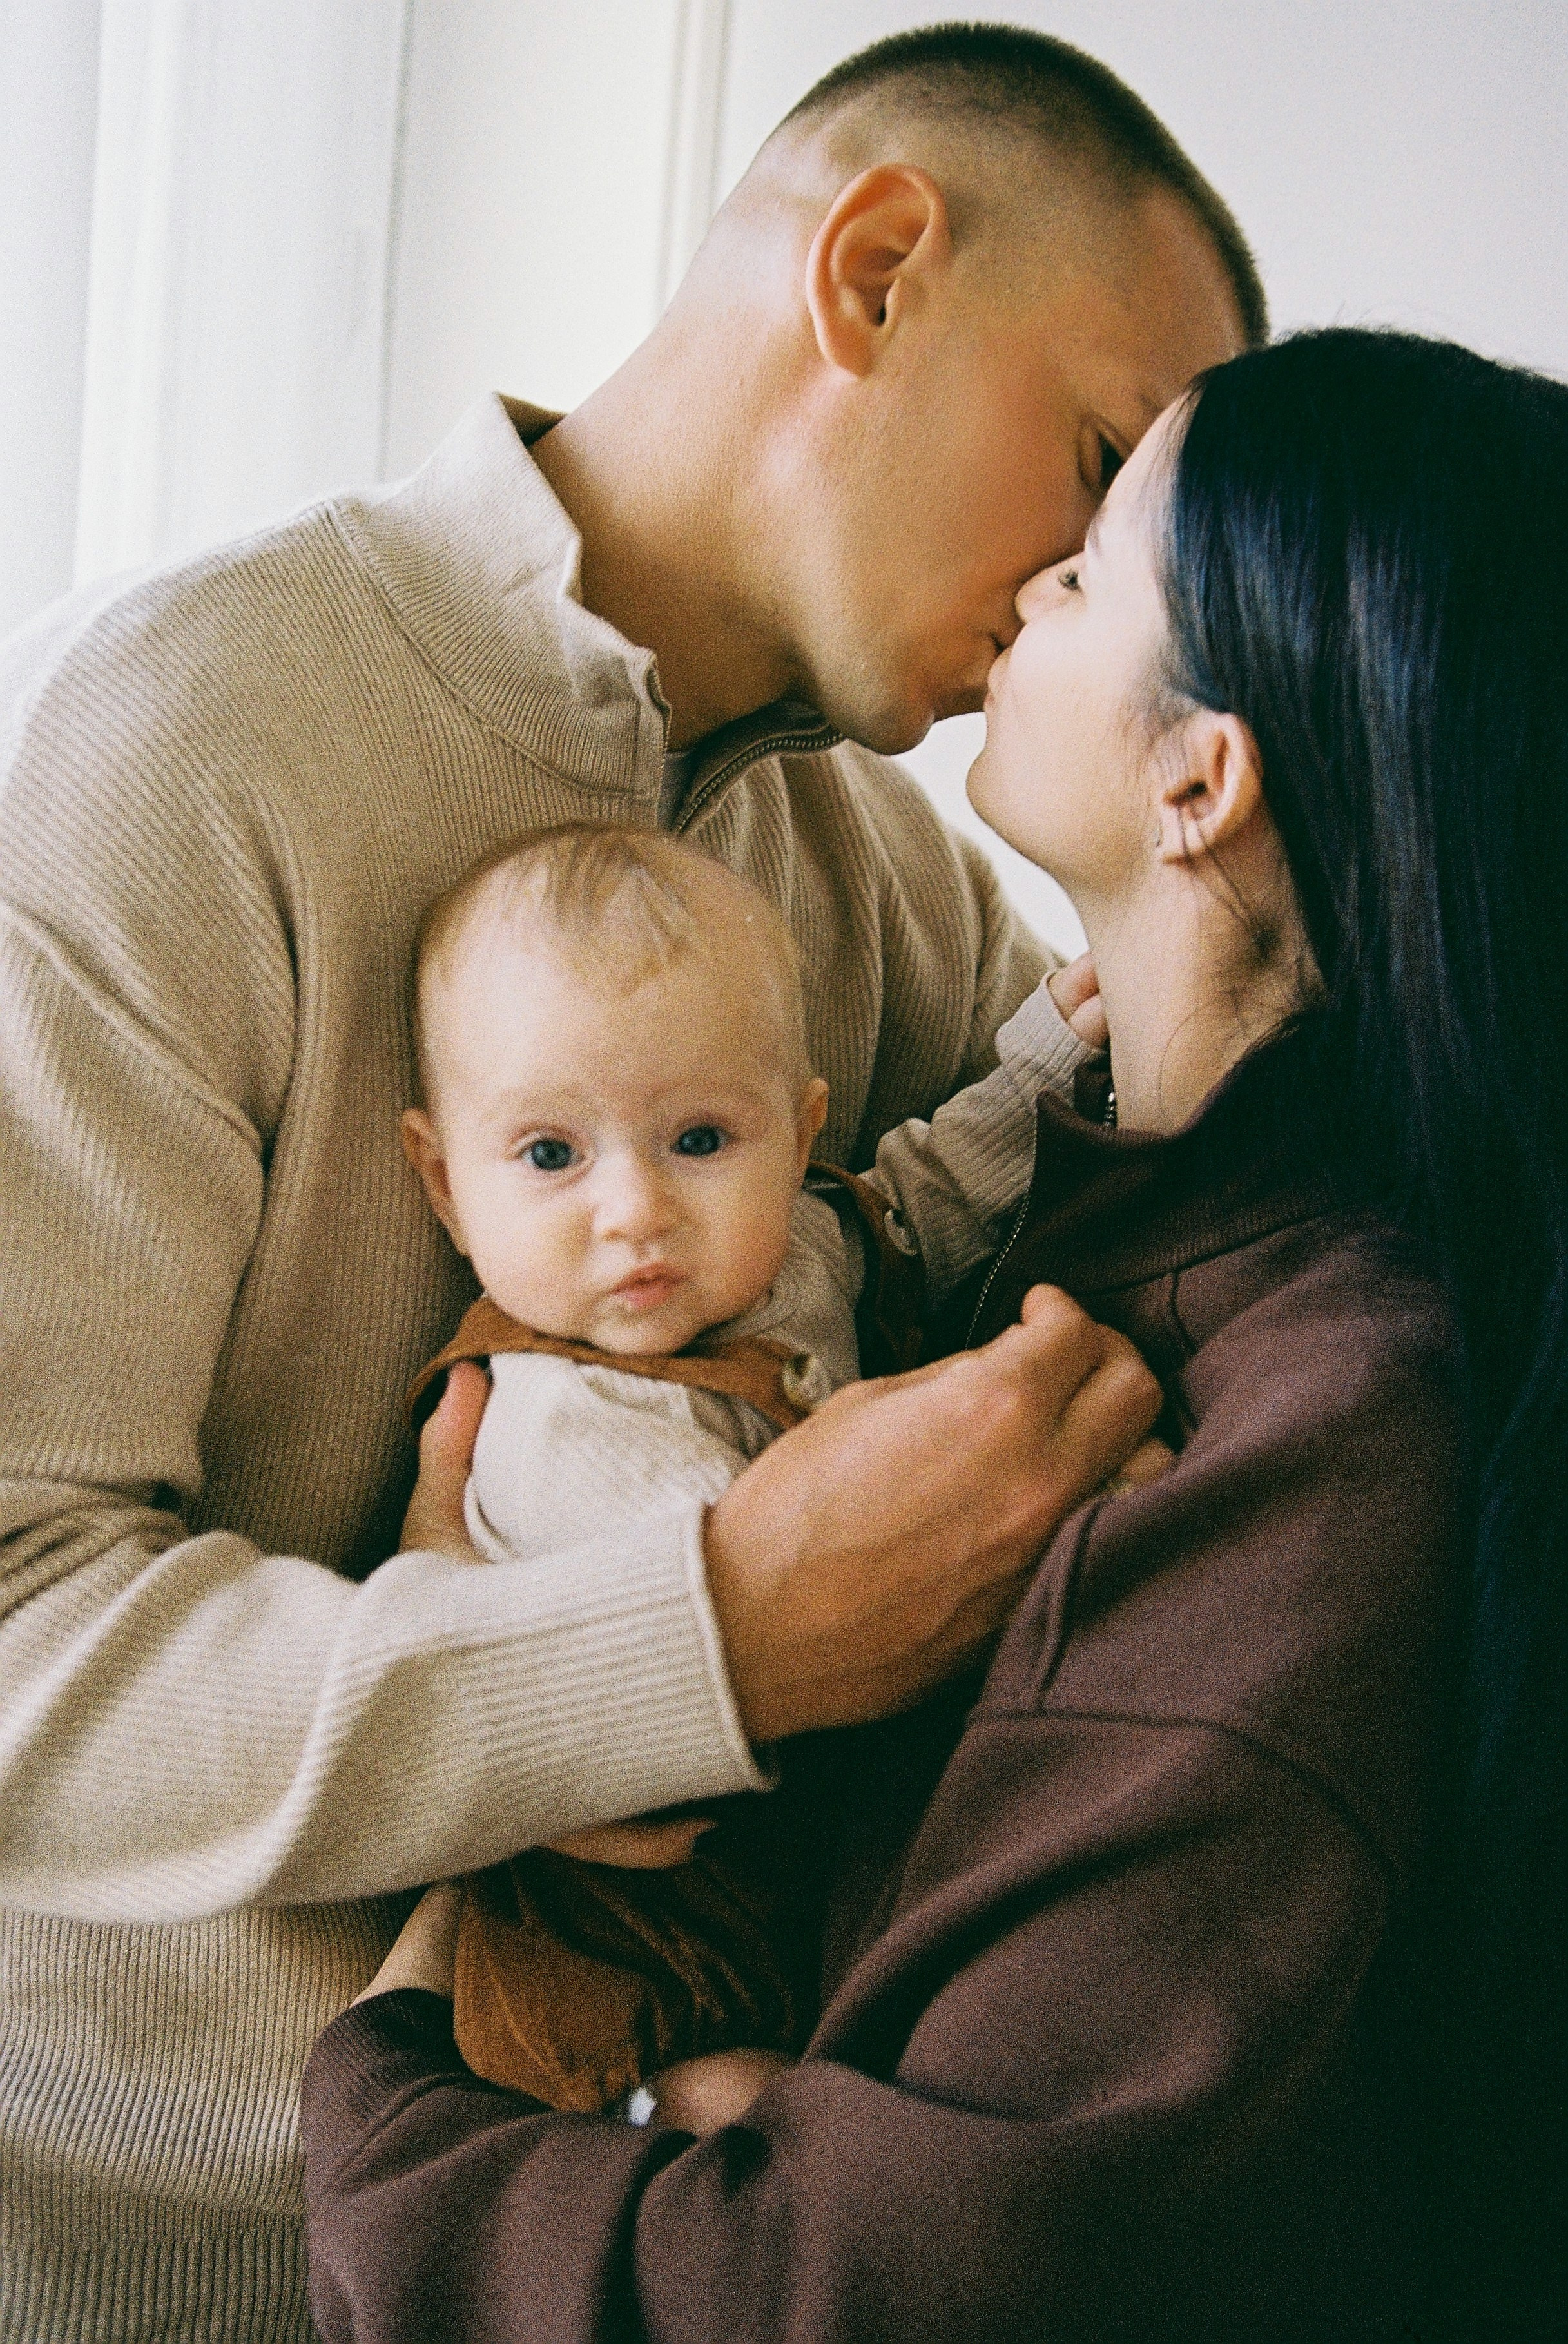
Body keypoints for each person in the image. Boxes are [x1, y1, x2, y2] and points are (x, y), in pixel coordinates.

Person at [0, 26, 1256, 2341]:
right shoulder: (161, 747)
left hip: (616, 2261)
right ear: (874, 268)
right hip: (125, 2276)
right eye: (1098, 464)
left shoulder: (893, 896)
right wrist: (709, 1637)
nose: (1096, 580)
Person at [300, 327, 1568, 2343]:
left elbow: (867, 2281)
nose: (1035, 571)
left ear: (1199, 776)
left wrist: (394, 2086)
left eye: (1099, 547)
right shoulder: (1120, 1219)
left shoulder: (1306, 1427)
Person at [396, 820, 1128, 2109]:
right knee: (739, 2109)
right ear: (447, 1186)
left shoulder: (791, 1250)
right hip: (649, 1935)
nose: (632, 1210)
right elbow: (811, 1568)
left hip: (818, 1838)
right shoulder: (560, 1425)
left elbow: (921, 1197)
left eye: (697, 1140)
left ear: (795, 1139)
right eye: (550, 1155)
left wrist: (1043, 1062)